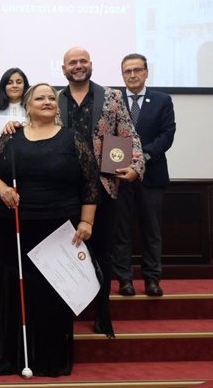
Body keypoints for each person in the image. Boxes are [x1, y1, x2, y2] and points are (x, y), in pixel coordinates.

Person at [0, 83, 99, 377]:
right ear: (28, 106)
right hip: (18, 229)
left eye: (51, 98)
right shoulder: (11, 136)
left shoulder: (74, 138)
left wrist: (86, 222)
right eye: (40, 98)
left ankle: (49, 358)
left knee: (52, 294)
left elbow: (90, 183)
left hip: (59, 231)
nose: (47, 101)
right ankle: (11, 356)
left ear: (57, 107)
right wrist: (3, 189)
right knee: (17, 290)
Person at [57, 47, 145, 337]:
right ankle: (68, 312)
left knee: (102, 252)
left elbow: (129, 135)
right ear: (64, 68)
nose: (78, 66)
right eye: (73, 63)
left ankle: (102, 313)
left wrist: (136, 166)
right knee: (67, 252)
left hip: (105, 186)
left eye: (83, 61)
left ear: (91, 65)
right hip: (66, 190)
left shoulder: (112, 97)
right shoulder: (54, 99)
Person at [112, 53, 176, 297]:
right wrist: (123, 164)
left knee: (152, 230)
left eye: (137, 70)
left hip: (152, 175)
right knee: (121, 231)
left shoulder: (162, 100)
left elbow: (166, 135)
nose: (132, 75)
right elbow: (110, 135)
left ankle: (152, 279)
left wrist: (140, 160)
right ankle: (124, 280)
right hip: (119, 175)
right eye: (127, 71)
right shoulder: (114, 100)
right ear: (122, 75)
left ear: (146, 72)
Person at [0, 68, 29, 143]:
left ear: (25, 86)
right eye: (10, 83)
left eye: (19, 82)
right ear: (3, 87)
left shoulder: (32, 109)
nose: (15, 86)